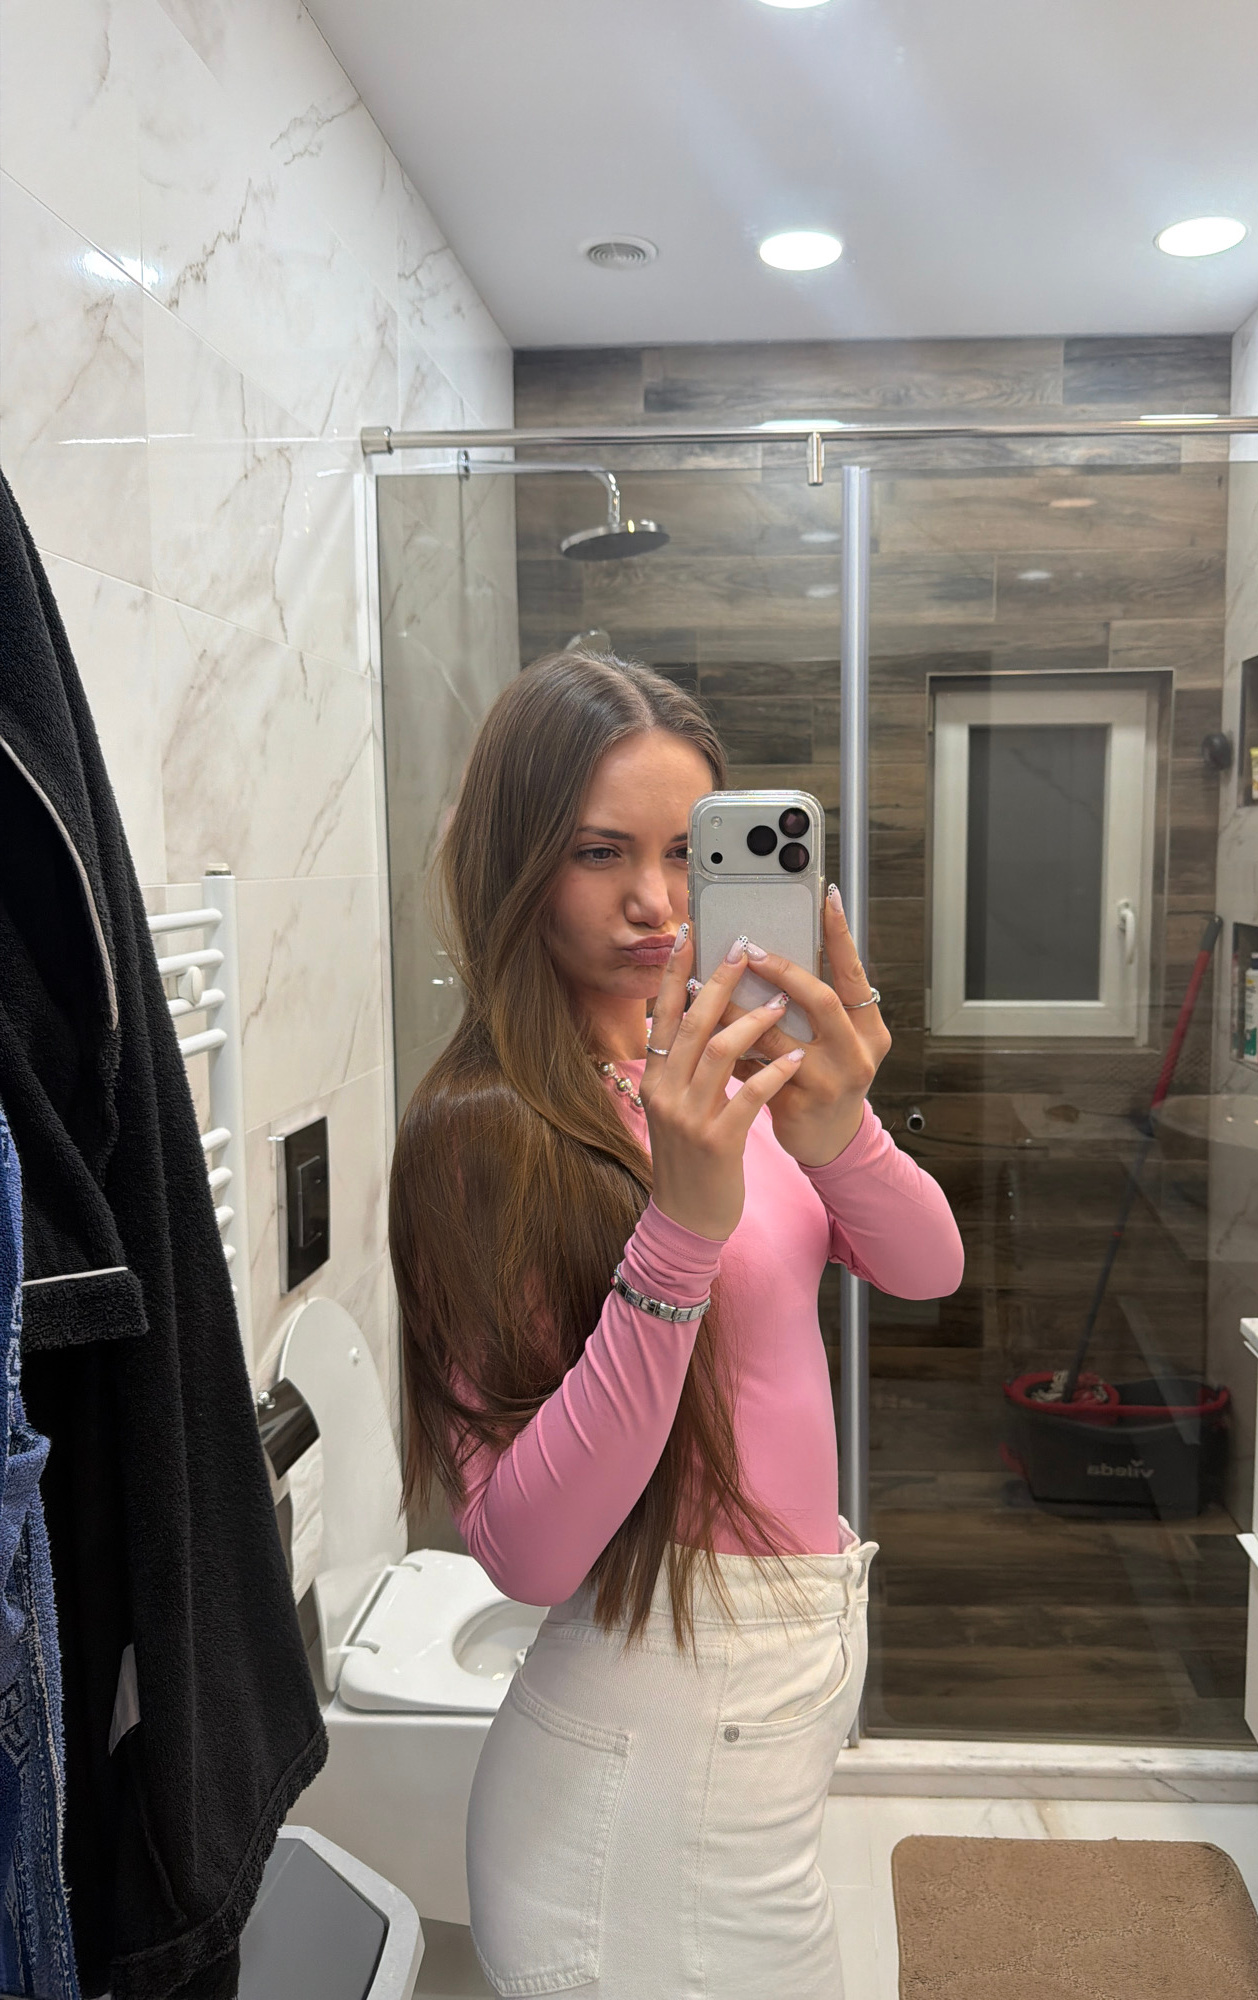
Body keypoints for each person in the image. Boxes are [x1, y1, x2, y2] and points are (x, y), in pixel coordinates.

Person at [391, 652, 962, 1998]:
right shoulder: (487, 1131)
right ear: (520, 864)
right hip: (643, 1778)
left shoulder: (729, 1072)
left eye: (684, 854)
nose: (655, 902)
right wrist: (680, 1233)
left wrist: (839, 1127)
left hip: (749, 1735)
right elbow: (524, 1551)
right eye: (600, 853)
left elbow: (928, 1269)